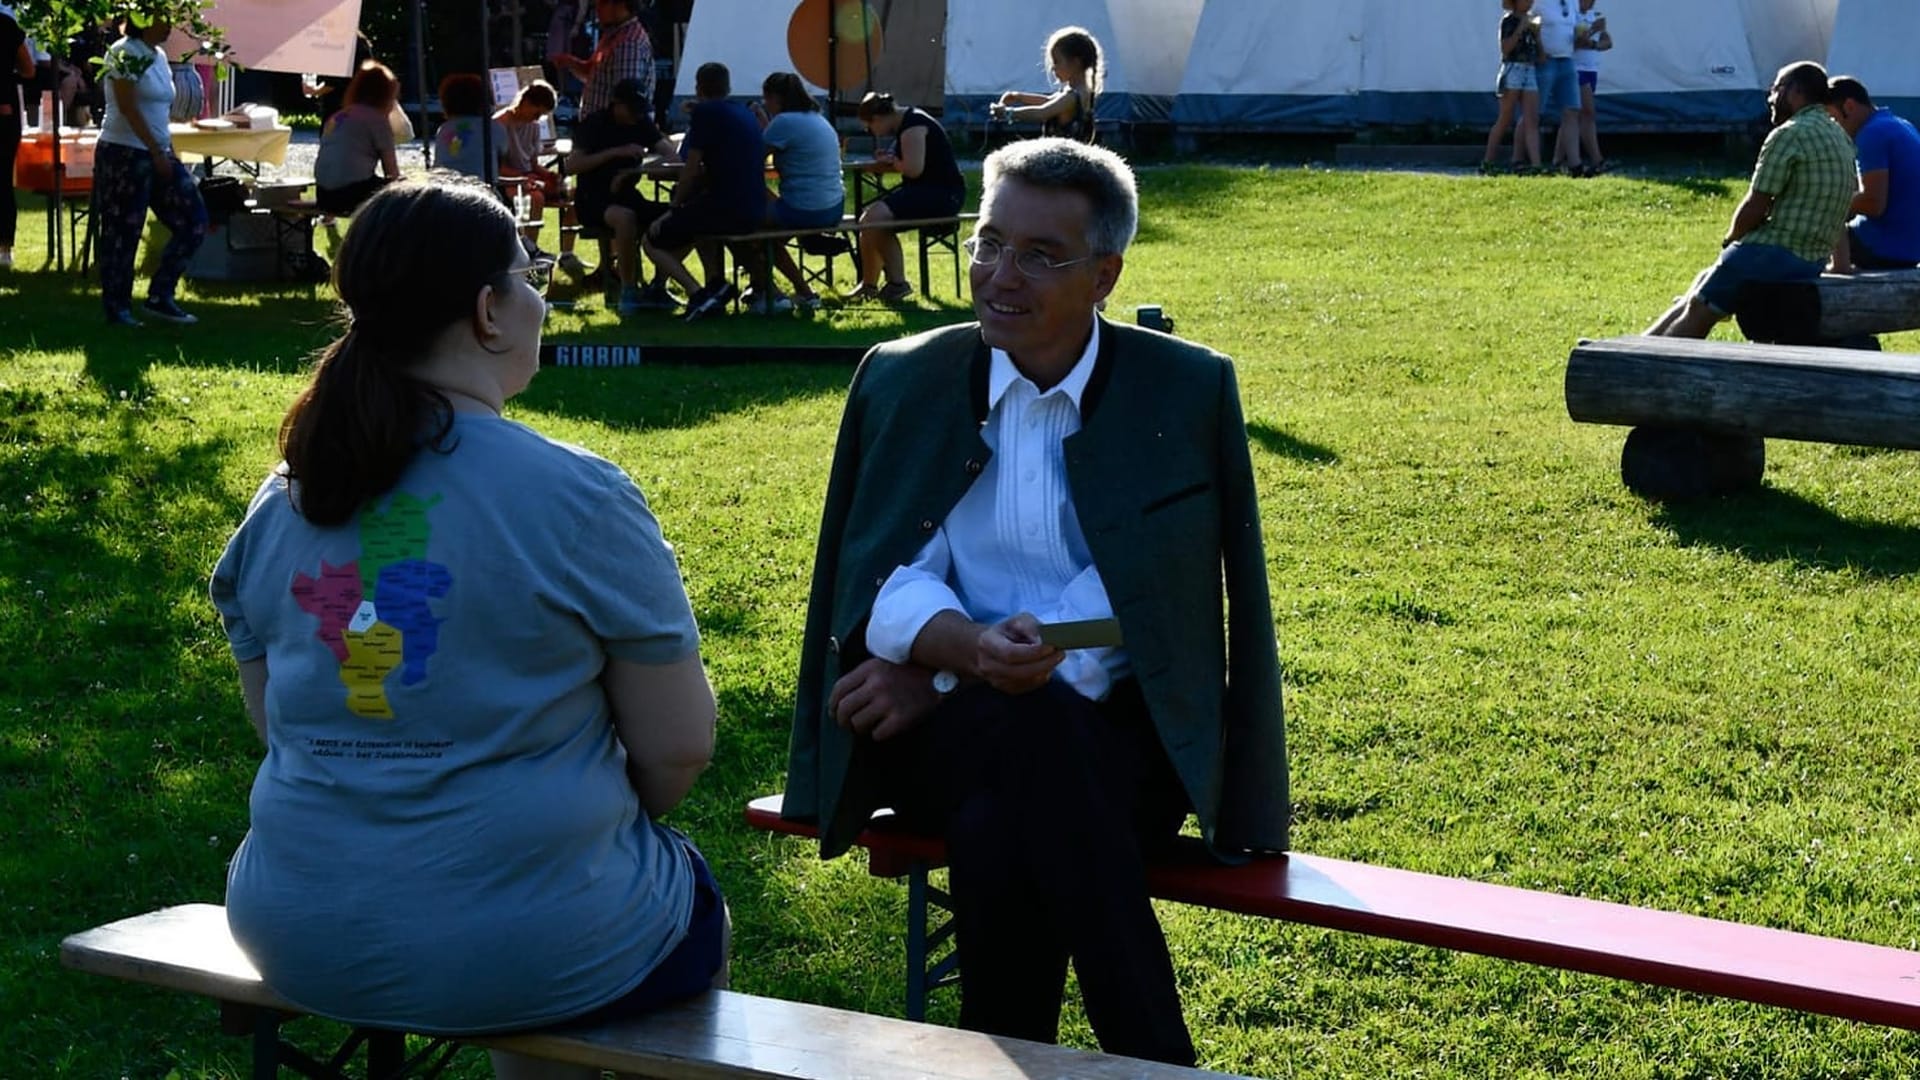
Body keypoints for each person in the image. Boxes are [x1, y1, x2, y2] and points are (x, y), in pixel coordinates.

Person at [782, 137, 1290, 1066]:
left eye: (1040, 255)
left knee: (1005, 811)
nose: (997, 275)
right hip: (957, 741)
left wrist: (937, 677)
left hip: (1123, 743)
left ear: (1106, 274)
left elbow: (1151, 588)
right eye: (987, 243)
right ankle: (1159, 1061)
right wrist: (968, 657)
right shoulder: (906, 377)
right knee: (1036, 740)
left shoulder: (1183, 387)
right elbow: (889, 567)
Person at [209, 183, 727, 1078]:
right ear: (488, 312)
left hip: (295, 929)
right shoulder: (581, 496)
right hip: (531, 942)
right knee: (672, 907)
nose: (543, 298)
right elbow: (678, 751)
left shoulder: (281, 498)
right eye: (530, 278)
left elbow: (279, 728)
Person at [1648, 62, 1855, 338]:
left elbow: (1755, 204)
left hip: (1774, 253)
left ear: (1796, 92)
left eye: (1776, 89)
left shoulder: (1789, 134)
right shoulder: (1841, 136)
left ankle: (1652, 367)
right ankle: (1634, 347)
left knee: (1700, 310)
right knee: (1701, 285)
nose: (1770, 98)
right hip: (1811, 260)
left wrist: (1732, 238)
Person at [92, 11, 206, 326]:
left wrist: (165, 149)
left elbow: (158, 108)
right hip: (124, 152)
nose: (169, 24)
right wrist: (156, 150)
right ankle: (117, 308)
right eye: (163, 17)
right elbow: (127, 107)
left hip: (158, 151)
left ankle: (160, 295)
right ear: (143, 18)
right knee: (123, 231)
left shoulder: (157, 55)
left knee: (193, 220)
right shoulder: (124, 51)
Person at [641, 62, 762, 323]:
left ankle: (696, 293)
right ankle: (716, 284)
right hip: (754, 204)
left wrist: (674, 207)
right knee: (699, 229)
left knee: (651, 239)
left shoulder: (705, 114)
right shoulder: (743, 112)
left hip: (726, 206)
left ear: (698, 87)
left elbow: (690, 168)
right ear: (728, 87)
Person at [566, 76, 677, 313]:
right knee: (625, 218)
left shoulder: (642, 123)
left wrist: (637, 170)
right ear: (616, 104)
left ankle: (659, 285)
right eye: (633, 109)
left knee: (680, 216)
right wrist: (616, 152)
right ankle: (629, 290)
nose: (637, 115)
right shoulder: (594, 124)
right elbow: (572, 165)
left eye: (641, 110)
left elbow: (672, 155)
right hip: (593, 199)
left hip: (629, 194)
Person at [849, 91, 966, 303]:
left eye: (869, 126)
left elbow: (913, 169)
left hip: (941, 194)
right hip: (929, 191)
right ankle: (869, 285)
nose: (871, 132)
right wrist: (892, 158)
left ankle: (897, 284)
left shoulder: (913, 126)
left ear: (878, 118)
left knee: (872, 220)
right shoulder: (908, 121)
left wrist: (894, 162)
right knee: (868, 222)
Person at [744, 70, 843, 313]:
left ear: (775, 98)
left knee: (752, 234)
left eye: (766, 99)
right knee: (764, 214)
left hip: (805, 208)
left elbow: (752, 158)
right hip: (833, 206)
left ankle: (799, 292)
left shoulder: (785, 122)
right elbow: (779, 140)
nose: (766, 104)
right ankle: (760, 286)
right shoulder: (816, 118)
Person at [1826, 76, 1920, 272]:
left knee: (1803, 235)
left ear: (1849, 106)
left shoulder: (1871, 134)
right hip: (1910, 247)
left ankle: (1837, 269)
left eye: (1833, 119)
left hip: (1884, 248)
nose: (1834, 129)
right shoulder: (1900, 124)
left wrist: (1826, 202)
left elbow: (1873, 203)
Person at [495, 78, 582, 266]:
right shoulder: (500, 124)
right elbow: (497, 167)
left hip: (527, 176)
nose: (537, 119)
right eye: (536, 113)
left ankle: (567, 254)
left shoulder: (533, 126)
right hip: (506, 179)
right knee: (535, 197)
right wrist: (525, 177)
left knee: (573, 194)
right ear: (526, 102)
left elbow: (533, 163)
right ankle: (528, 250)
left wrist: (550, 176)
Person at [312, 60, 403, 216]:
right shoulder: (377, 120)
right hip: (353, 194)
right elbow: (392, 172)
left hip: (323, 195)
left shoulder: (337, 117)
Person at [988, 26, 1100, 144]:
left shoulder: (1072, 97)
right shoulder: (1080, 92)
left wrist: (1007, 113)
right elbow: (1048, 101)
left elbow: (1042, 113)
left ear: (1076, 62)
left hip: (1062, 157)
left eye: (1057, 62)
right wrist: (1018, 96)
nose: (1052, 68)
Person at [562, 0, 652, 119]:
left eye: (603, 3)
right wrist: (570, 63)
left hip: (612, 134)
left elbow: (627, 105)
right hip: (599, 130)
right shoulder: (613, 35)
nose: (597, 9)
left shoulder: (628, 44)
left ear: (621, 5)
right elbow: (595, 75)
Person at [1481, 0, 1541, 175]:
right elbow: (1506, 49)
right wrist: (1520, 28)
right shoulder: (1508, 21)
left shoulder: (1532, 21)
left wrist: (1537, 37)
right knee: (1505, 118)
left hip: (1529, 68)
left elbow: (1539, 54)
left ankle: (1536, 165)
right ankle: (1488, 161)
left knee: (1531, 119)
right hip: (1513, 68)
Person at [1533, 0, 1583, 175]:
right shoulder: (1538, 3)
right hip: (1546, 60)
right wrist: (1538, 52)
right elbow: (1527, 25)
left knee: (1572, 110)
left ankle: (1575, 165)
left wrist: (1582, 37)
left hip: (1567, 59)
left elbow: (1573, 30)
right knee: (1533, 112)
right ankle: (1524, 160)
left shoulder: (1572, 2)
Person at [0, 0, 32, 270]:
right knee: (2, 180)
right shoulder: (7, 26)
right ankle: (4, 248)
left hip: (5, 110)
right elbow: (29, 68)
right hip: (5, 112)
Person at [433, 72, 508, 182]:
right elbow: (502, 161)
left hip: (446, 188)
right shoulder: (493, 128)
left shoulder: (444, 129)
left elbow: (452, 154)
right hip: (480, 189)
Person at [1572, 0, 1611, 175]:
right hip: (1576, 68)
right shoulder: (1572, 15)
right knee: (1588, 112)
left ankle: (1559, 158)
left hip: (1591, 68)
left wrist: (1595, 42)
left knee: (1572, 115)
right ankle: (1597, 158)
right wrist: (1593, 31)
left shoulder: (1594, 15)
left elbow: (1607, 42)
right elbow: (1574, 43)